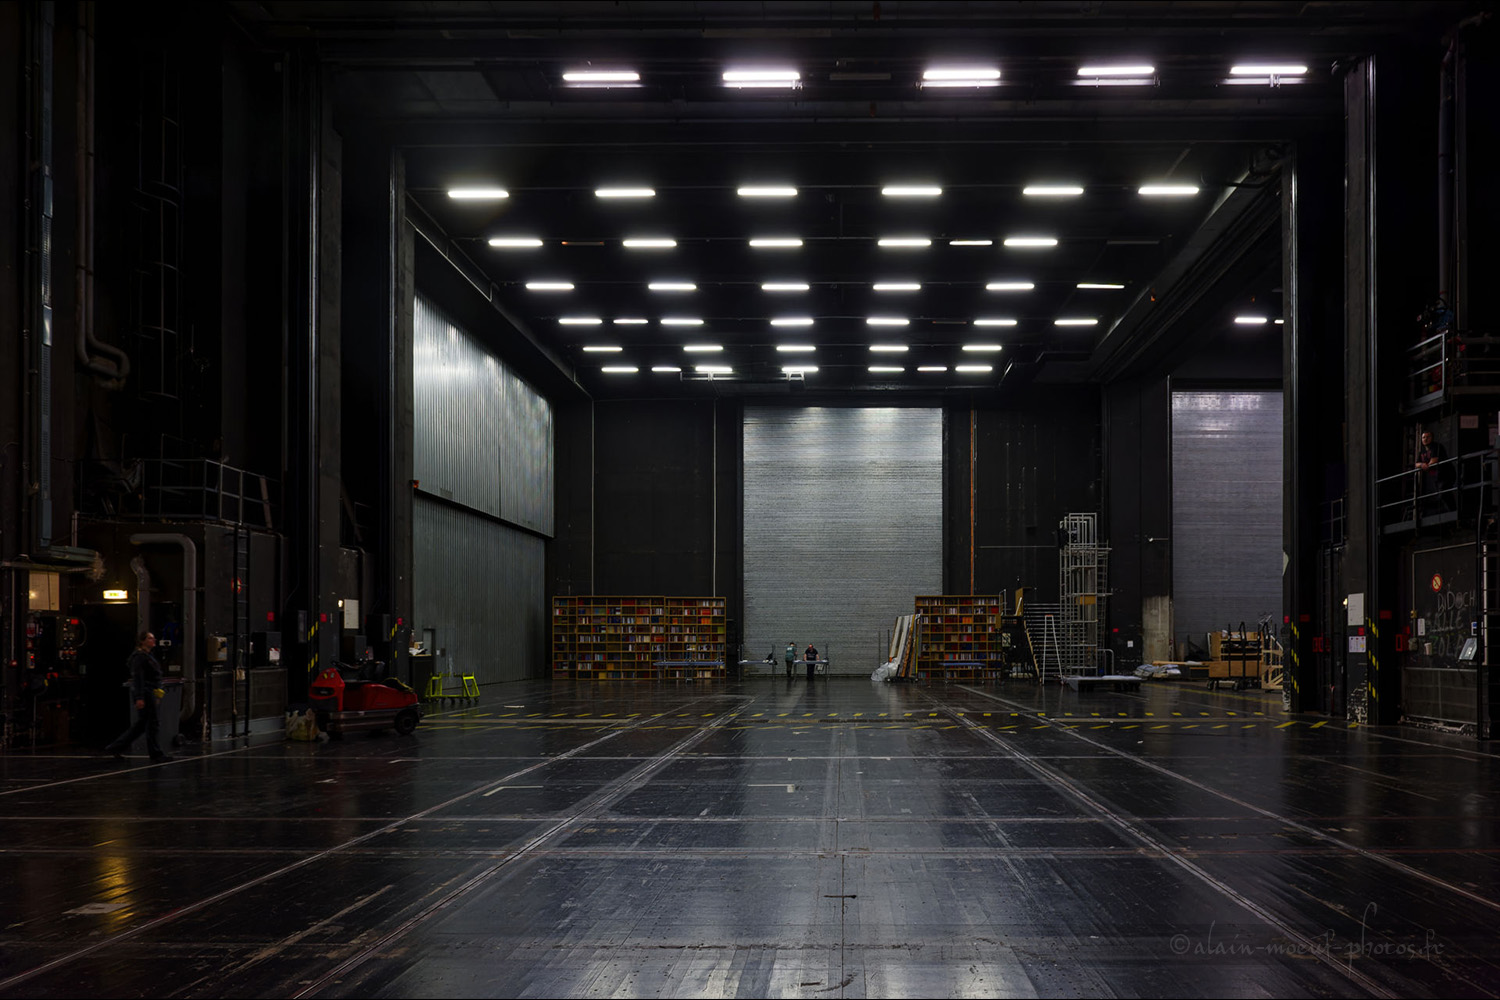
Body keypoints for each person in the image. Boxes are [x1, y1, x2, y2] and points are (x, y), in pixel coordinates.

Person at [105, 631, 171, 762]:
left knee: (142, 725)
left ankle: (115, 747)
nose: (153, 640)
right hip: (146, 691)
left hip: (151, 690)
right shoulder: (139, 657)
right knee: (152, 723)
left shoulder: (148, 656)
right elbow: (138, 678)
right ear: (142, 641)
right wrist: (139, 697)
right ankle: (156, 753)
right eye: (150, 638)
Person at [1415, 429, 1451, 512]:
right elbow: (1416, 464)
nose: (1425, 439)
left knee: (1444, 493)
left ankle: (1452, 511)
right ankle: (1450, 510)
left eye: (1428, 437)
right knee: (1442, 494)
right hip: (1436, 476)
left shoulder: (1436, 446)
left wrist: (1426, 465)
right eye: (1423, 437)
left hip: (1445, 474)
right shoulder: (1422, 451)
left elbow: (1434, 460)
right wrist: (1422, 465)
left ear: (1432, 438)